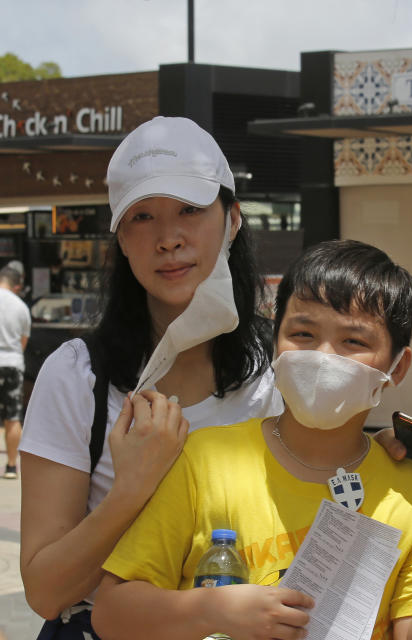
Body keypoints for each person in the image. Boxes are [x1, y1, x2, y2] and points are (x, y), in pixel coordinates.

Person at [92, 240, 412, 640]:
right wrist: (214, 610)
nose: (323, 356)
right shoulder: (203, 461)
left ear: (397, 366)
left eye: (353, 342)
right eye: (302, 333)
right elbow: (112, 614)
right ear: (276, 341)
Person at [18, 116, 284, 635]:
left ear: (232, 220)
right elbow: (46, 592)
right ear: (119, 236)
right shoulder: (77, 376)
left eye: (189, 209)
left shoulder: (279, 366)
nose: (168, 238)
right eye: (142, 217)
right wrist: (132, 489)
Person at [0, 265, 30, 479]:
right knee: (12, 417)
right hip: (12, 363)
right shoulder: (21, 307)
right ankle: (11, 466)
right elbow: (23, 343)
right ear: (17, 286)